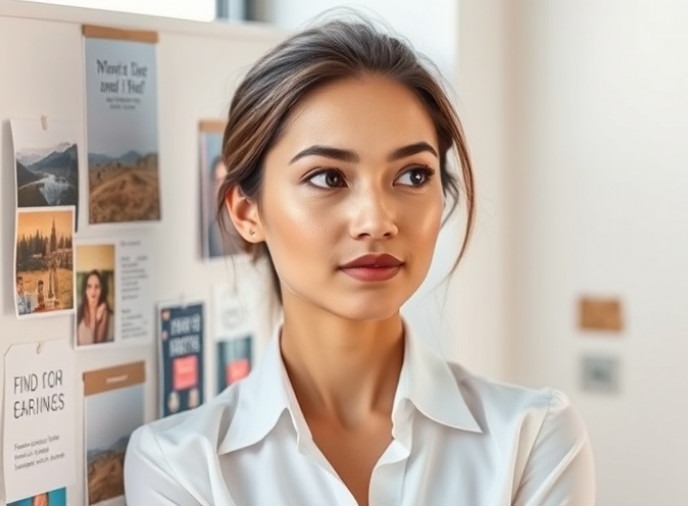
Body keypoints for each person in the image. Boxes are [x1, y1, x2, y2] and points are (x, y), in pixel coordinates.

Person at [124, 16, 595, 506]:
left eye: (413, 175)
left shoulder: (532, 438)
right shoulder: (180, 465)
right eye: (329, 178)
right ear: (246, 212)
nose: (377, 220)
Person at [76, 270, 112, 345]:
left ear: (102, 290)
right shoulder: (80, 310)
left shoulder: (104, 312)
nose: (93, 291)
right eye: (89, 286)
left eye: (97, 287)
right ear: (85, 290)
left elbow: (98, 345)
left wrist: (96, 321)